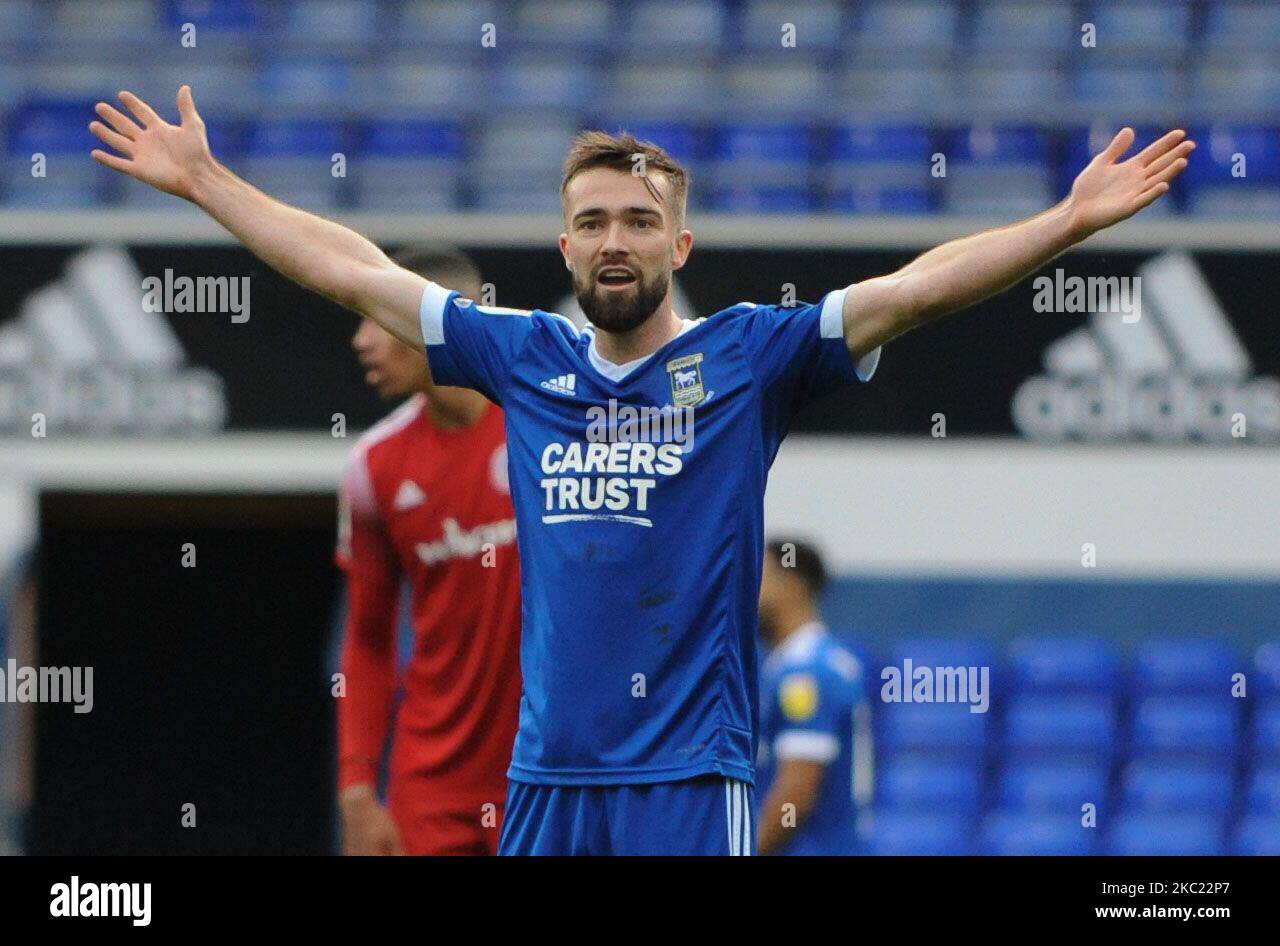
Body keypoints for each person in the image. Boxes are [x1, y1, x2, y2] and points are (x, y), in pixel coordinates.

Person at [90, 85, 1193, 855]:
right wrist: (209, 186)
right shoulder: (523, 353)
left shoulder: (750, 353)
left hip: (683, 777)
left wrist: (1065, 220)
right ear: (564, 249)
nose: (613, 239)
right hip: (543, 779)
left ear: (679, 246)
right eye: (590, 222)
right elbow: (353, 271)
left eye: (637, 220)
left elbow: (916, 288)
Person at [335, 247, 521, 855]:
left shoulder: (546, 428)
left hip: (549, 772)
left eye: (376, 317)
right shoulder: (374, 464)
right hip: (430, 784)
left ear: (432, 326)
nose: (362, 341)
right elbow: (367, 636)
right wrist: (359, 786)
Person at [756, 540, 871, 856]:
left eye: (758, 575)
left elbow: (798, 790)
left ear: (792, 585)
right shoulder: (791, 664)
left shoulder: (806, 673)